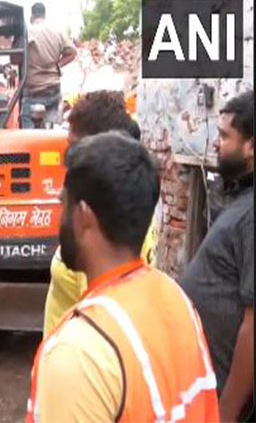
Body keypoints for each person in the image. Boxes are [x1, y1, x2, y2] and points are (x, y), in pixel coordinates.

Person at [27, 132, 219, 422]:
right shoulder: (176, 297)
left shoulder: (79, 353)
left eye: (62, 202)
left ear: (83, 216)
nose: (60, 216)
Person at [43, 90, 157, 337]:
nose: (68, 155)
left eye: (74, 146)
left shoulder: (109, 229)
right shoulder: (105, 211)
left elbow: (105, 325)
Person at [180, 90, 254, 422]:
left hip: (225, 402)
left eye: (225, 136)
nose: (215, 143)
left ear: (252, 146)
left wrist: (226, 411)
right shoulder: (242, 202)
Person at [21, 3, 76, 129]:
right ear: (44, 15)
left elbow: (15, 58)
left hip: (33, 89)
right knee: (51, 129)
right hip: (53, 88)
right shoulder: (57, 32)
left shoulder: (28, 32)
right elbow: (72, 53)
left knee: (29, 133)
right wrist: (58, 65)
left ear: (32, 16)